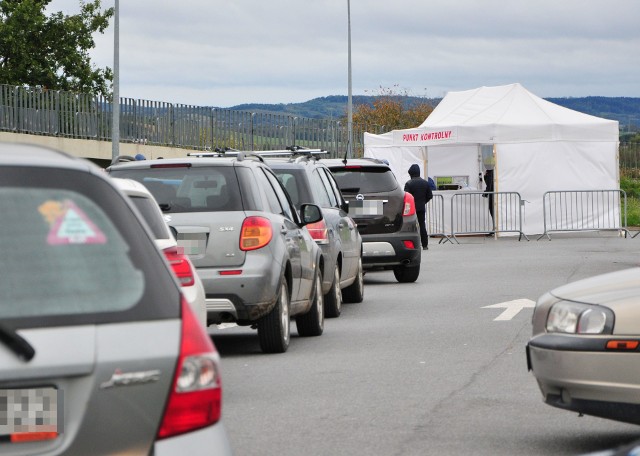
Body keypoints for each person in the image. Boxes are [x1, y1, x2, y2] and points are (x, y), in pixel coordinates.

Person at [404, 164, 433, 250]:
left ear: (411, 174)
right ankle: (425, 245)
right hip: (421, 207)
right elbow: (430, 195)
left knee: (411, 226)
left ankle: (413, 244)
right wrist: (423, 202)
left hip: (412, 208)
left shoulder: (409, 183)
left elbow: (407, 196)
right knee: (422, 225)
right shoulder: (425, 183)